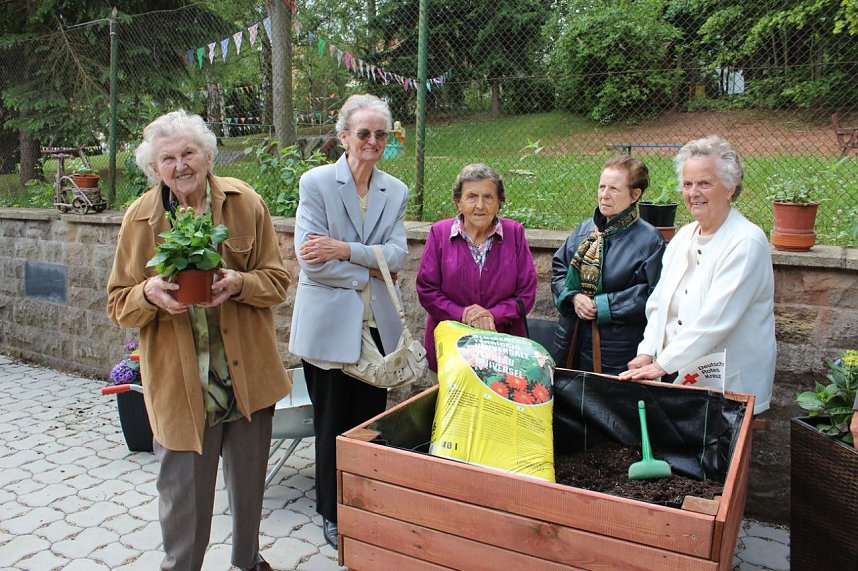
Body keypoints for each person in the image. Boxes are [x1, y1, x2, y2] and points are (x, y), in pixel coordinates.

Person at [107, 110, 290, 571]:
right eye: (167, 158)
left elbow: (278, 282)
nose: (180, 164)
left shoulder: (245, 202)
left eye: (189, 152)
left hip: (246, 378)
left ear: (208, 156)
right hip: (182, 388)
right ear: (154, 169)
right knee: (183, 499)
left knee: (249, 489)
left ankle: (246, 562)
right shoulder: (141, 220)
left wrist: (239, 283)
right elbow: (117, 304)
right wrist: (147, 293)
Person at [288, 94, 410, 550]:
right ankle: (332, 513)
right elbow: (311, 262)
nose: (372, 141)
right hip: (326, 329)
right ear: (343, 137)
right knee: (331, 424)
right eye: (363, 133)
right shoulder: (316, 183)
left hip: (376, 328)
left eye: (381, 134)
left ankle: (363, 502)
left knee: (368, 424)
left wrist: (343, 249)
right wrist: (372, 269)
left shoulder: (394, 191)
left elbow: (398, 256)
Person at [618, 135, 776, 415]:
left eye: (705, 183)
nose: (693, 192)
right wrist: (647, 351)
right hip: (683, 378)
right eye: (688, 184)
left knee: (725, 458)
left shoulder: (746, 242)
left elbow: (716, 320)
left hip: (729, 386)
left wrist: (662, 364)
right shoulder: (683, 237)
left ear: (730, 188)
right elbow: (659, 305)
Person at [416, 163, 537, 371]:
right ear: (458, 202)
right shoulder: (439, 233)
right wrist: (463, 314)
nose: (480, 205)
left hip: (503, 351)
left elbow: (526, 293)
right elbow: (427, 290)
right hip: (451, 351)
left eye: (488, 197)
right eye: (472, 197)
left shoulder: (514, 233)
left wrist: (492, 315)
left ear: (499, 202)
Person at [551, 156, 664, 375]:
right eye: (602, 186)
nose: (604, 195)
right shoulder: (585, 231)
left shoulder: (650, 240)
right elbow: (559, 269)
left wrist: (603, 306)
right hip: (570, 340)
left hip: (616, 350)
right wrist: (574, 297)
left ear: (635, 194)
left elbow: (653, 294)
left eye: (614, 189)